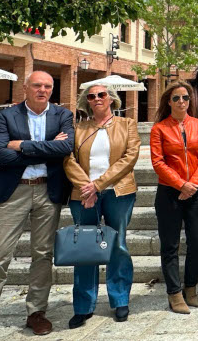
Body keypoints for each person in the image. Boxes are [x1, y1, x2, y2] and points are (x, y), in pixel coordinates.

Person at [0, 72, 74, 340]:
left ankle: (36, 312)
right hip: (14, 191)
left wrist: (21, 146)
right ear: (24, 87)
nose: (42, 90)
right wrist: (45, 148)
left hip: (47, 191)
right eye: (37, 85)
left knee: (42, 254)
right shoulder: (8, 116)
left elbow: (66, 149)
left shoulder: (62, 115)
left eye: (48, 86)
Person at [62, 85, 140, 329]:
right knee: (85, 249)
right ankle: (83, 305)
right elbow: (68, 158)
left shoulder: (127, 124)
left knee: (117, 244)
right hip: (83, 194)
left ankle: (119, 299)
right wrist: (87, 187)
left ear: (111, 99)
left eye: (101, 95)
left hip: (118, 192)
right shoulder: (78, 128)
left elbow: (130, 157)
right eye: (91, 96)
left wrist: (98, 185)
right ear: (86, 102)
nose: (96, 99)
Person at [150, 81, 198, 314]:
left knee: (196, 242)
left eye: (185, 97)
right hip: (169, 192)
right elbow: (157, 161)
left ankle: (191, 288)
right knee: (170, 245)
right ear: (169, 102)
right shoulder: (159, 129)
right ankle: (174, 293)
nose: (181, 102)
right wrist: (180, 184)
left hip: (195, 192)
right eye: (176, 98)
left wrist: (193, 184)